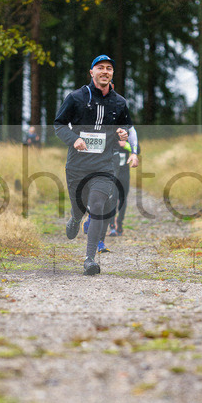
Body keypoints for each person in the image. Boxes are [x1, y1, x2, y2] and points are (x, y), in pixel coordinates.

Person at [54, 55, 139, 275]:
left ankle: (89, 259)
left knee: (98, 207)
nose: (105, 71)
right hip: (76, 166)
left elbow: (125, 129)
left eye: (109, 68)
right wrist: (74, 139)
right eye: (100, 68)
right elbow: (59, 125)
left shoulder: (119, 102)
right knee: (79, 207)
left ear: (112, 74)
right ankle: (74, 217)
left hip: (104, 166)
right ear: (91, 72)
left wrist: (122, 133)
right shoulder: (75, 98)